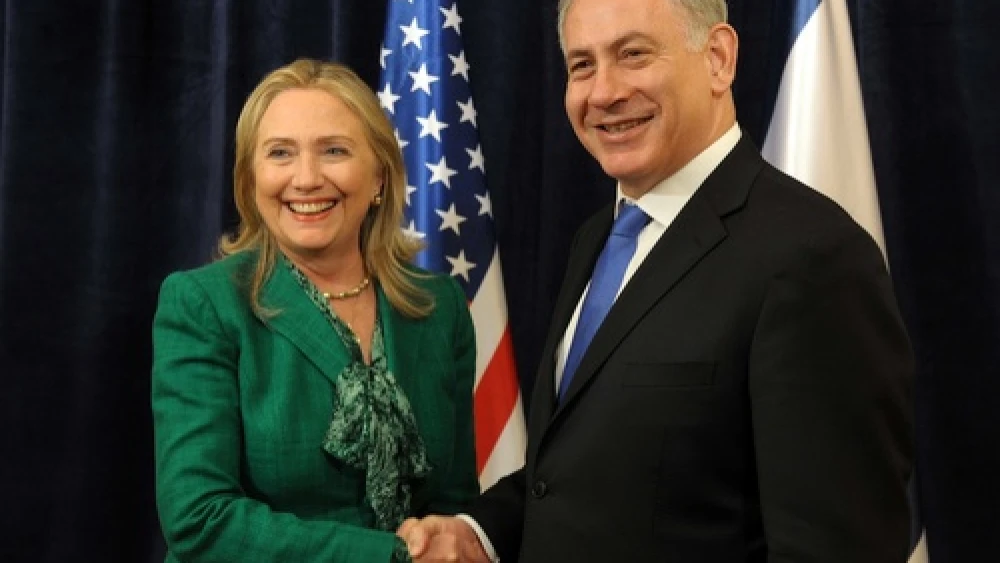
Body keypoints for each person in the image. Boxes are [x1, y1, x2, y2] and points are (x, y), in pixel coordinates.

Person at [398, 0, 914, 561]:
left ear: (718, 58)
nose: (604, 93)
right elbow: (584, 473)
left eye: (633, 54)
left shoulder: (812, 257)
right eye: (582, 65)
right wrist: (478, 530)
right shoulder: (599, 237)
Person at [151, 58, 479, 563]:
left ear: (379, 178)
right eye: (280, 153)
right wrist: (389, 556)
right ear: (251, 180)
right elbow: (200, 520)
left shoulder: (439, 307)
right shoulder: (203, 305)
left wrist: (446, 540)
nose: (306, 179)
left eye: (334, 150)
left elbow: (454, 500)